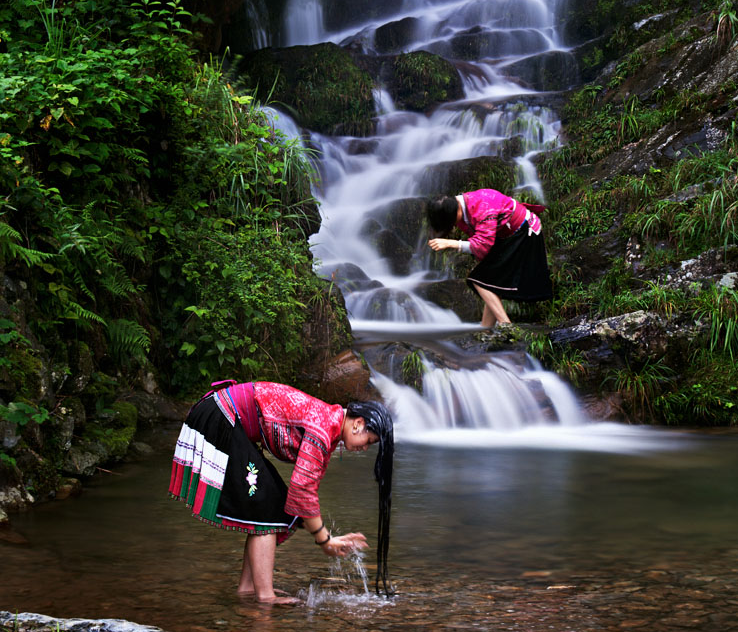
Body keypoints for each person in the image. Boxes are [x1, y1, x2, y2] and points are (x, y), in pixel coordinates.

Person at [169, 380, 394, 604]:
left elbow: (304, 497)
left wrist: (328, 537)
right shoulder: (323, 427)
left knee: (274, 506)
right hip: (222, 416)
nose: (364, 448)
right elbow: (302, 489)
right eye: (368, 441)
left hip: (223, 415)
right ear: (358, 424)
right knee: (267, 508)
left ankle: (248, 589)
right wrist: (325, 541)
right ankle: (265, 596)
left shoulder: (329, 425)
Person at [426, 189, 552, 328]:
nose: (454, 226)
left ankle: (506, 326)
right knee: (489, 282)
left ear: (456, 212)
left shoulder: (483, 207)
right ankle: (486, 329)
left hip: (523, 233)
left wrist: (452, 243)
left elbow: (482, 245)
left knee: (480, 280)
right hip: (507, 235)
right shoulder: (459, 206)